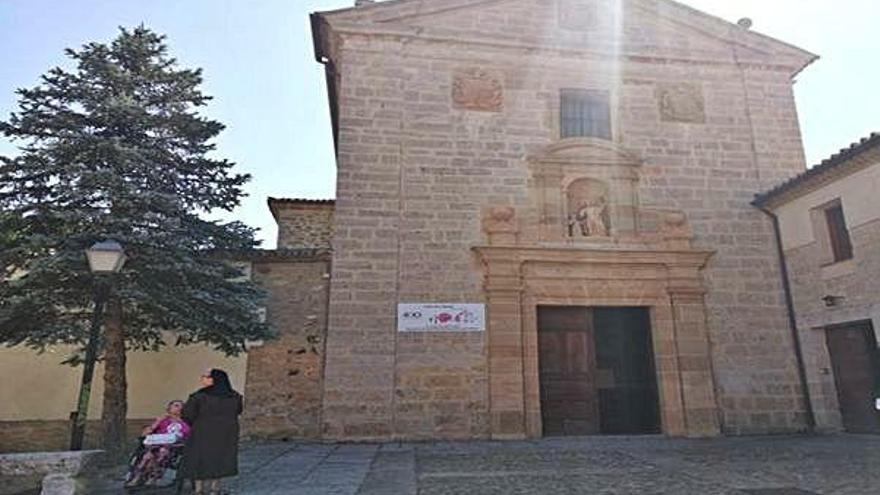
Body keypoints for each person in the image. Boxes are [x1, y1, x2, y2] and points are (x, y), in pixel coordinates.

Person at [181, 368, 243, 495]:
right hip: (226, 432)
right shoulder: (234, 396)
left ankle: (199, 489)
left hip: (202, 431)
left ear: (213, 379)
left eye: (205, 376)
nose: (202, 379)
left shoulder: (199, 396)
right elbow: (238, 411)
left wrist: (196, 423)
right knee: (220, 457)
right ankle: (215, 488)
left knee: (199, 458)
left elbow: (187, 414)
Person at [125, 400, 190, 487]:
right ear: (169, 408)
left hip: (173, 448)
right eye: (176, 405)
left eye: (181, 406)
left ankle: (153, 477)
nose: (179, 408)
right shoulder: (163, 420)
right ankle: (137, 477)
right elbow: (144, 434)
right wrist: (157, 422)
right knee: (148, 456)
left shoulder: (185, 423)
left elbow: (188, 437)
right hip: (154, 446)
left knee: (163, 452)